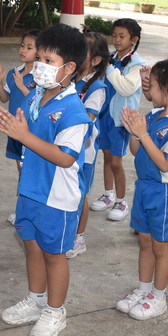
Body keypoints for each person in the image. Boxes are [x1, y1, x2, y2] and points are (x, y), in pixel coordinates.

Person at [0, 24, 91, 336]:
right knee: (32, 246)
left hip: (56, 196)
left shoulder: (73, 111)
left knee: (54, 254)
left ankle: (55, 310)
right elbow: (25, 129)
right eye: (39, 58)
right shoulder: (36, 94)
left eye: (49, 61)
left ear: (69, 68)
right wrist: (16, 129)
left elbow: (65, 157)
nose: (40, 66)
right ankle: (35, 300)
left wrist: (24, 136)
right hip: (31, 188)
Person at [117, 58, 168, 320]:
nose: (148, 91)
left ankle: (158, 297)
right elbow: (135, 151)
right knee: (144, 242)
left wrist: (144, 134)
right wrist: (134, 131)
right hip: (145, 188)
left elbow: (164, 164)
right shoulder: (153, 116)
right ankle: (143, 289)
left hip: (166, 194)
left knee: (161, 248)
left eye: (152, 86)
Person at [89, 18, 146, 221]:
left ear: (134, 40)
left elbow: (126, 88)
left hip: (120, 120)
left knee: (115, 162)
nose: (117, 39)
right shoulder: (111, 58)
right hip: (104, 115)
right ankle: (108, 194)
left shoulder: (137, 64)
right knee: (106, 158)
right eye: (114, 35)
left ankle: (121, 201)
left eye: (122, 36)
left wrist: (108, 67)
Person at [66, 32, 109, 258]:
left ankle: (79, 237)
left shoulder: (97, 88)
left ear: (96, 60)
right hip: (65, 147)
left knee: (80, 195)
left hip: (84, 152)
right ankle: (67, 231)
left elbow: (87, 121)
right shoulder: (70, 78)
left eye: (83, 50)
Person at [0, 30, 40, 224]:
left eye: (29, 47)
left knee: (30, 170)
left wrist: (22, 86)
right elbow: (5, 98)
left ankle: (28, 212)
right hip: (14, 130)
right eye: (22, 46)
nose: (23, 50)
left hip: (30, 131)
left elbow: (38, 102)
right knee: (21, 170)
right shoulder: (15, 72)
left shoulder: (40, 76)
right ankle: (22, 209)